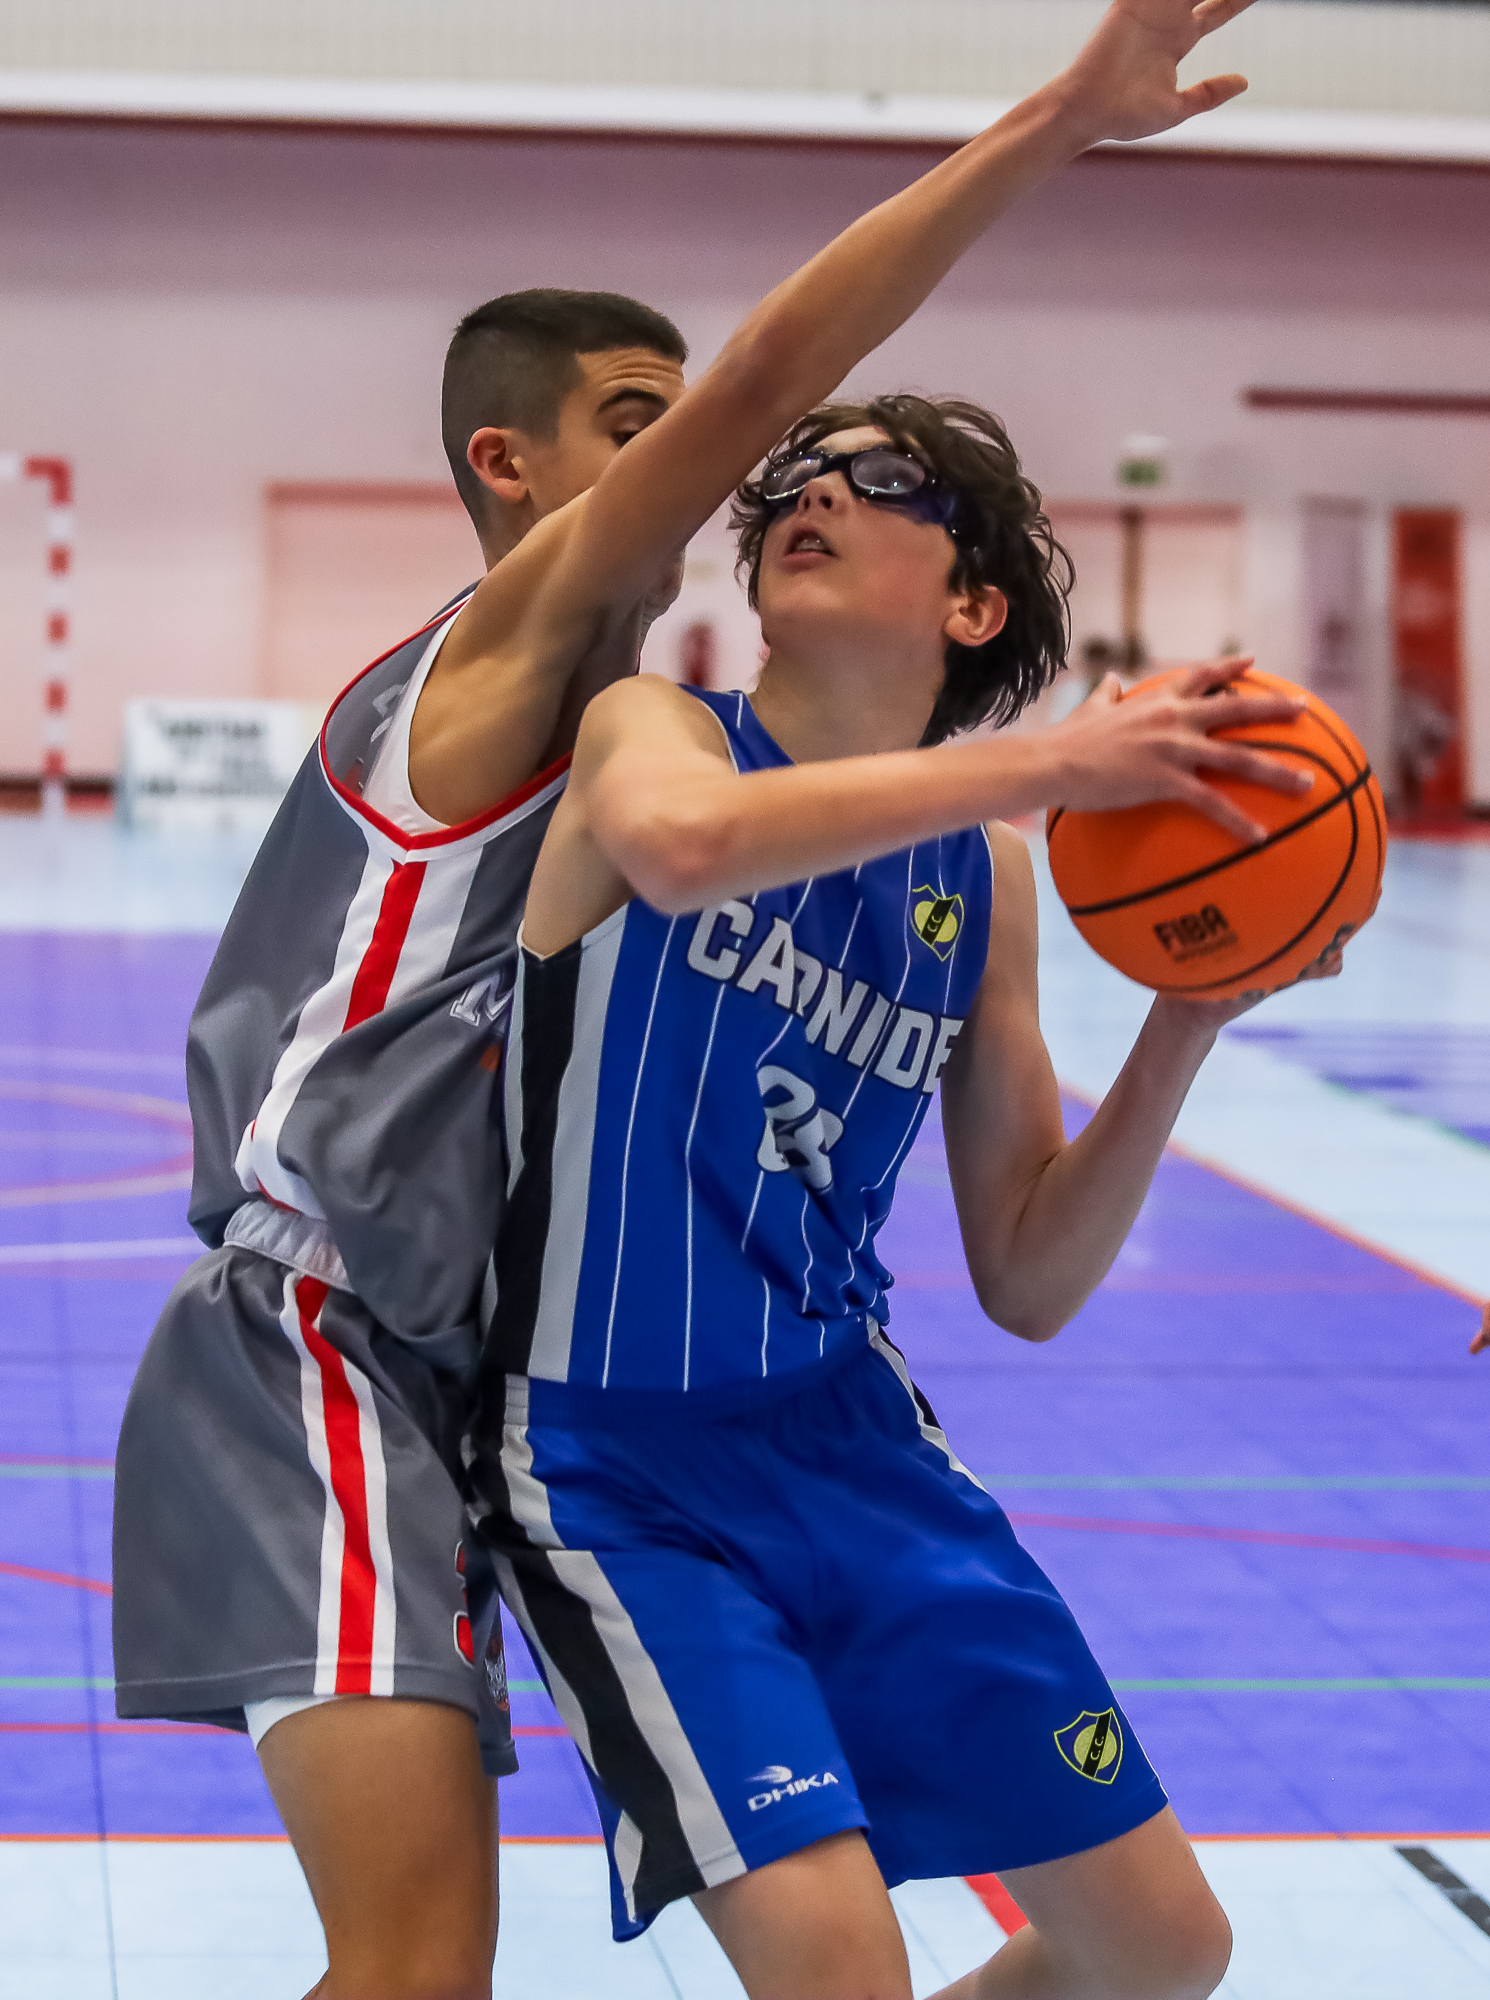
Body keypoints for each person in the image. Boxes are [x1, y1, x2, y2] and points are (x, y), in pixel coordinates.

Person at [448, 3, 1337, 1995]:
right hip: (609, 1454)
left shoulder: (978, 880)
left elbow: (1028, 1272)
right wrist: (1051, 761)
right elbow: (685, 852)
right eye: (800, 472)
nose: (814, 485)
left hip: (857, 1438)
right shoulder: (656, 727)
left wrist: (1189, 1015)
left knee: (1161, 1953)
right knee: (836, 1962)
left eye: (881, 480)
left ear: (974, 602)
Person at [113, 288, 690, 1999]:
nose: (704, 461)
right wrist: (1028, 155)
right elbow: (782, 376)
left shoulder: (634, 735)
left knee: (419, 1971)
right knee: (417, 1968)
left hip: (455, 1374)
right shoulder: (496, 655)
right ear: (507, 466)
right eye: (645, 425)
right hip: (317, 1338)